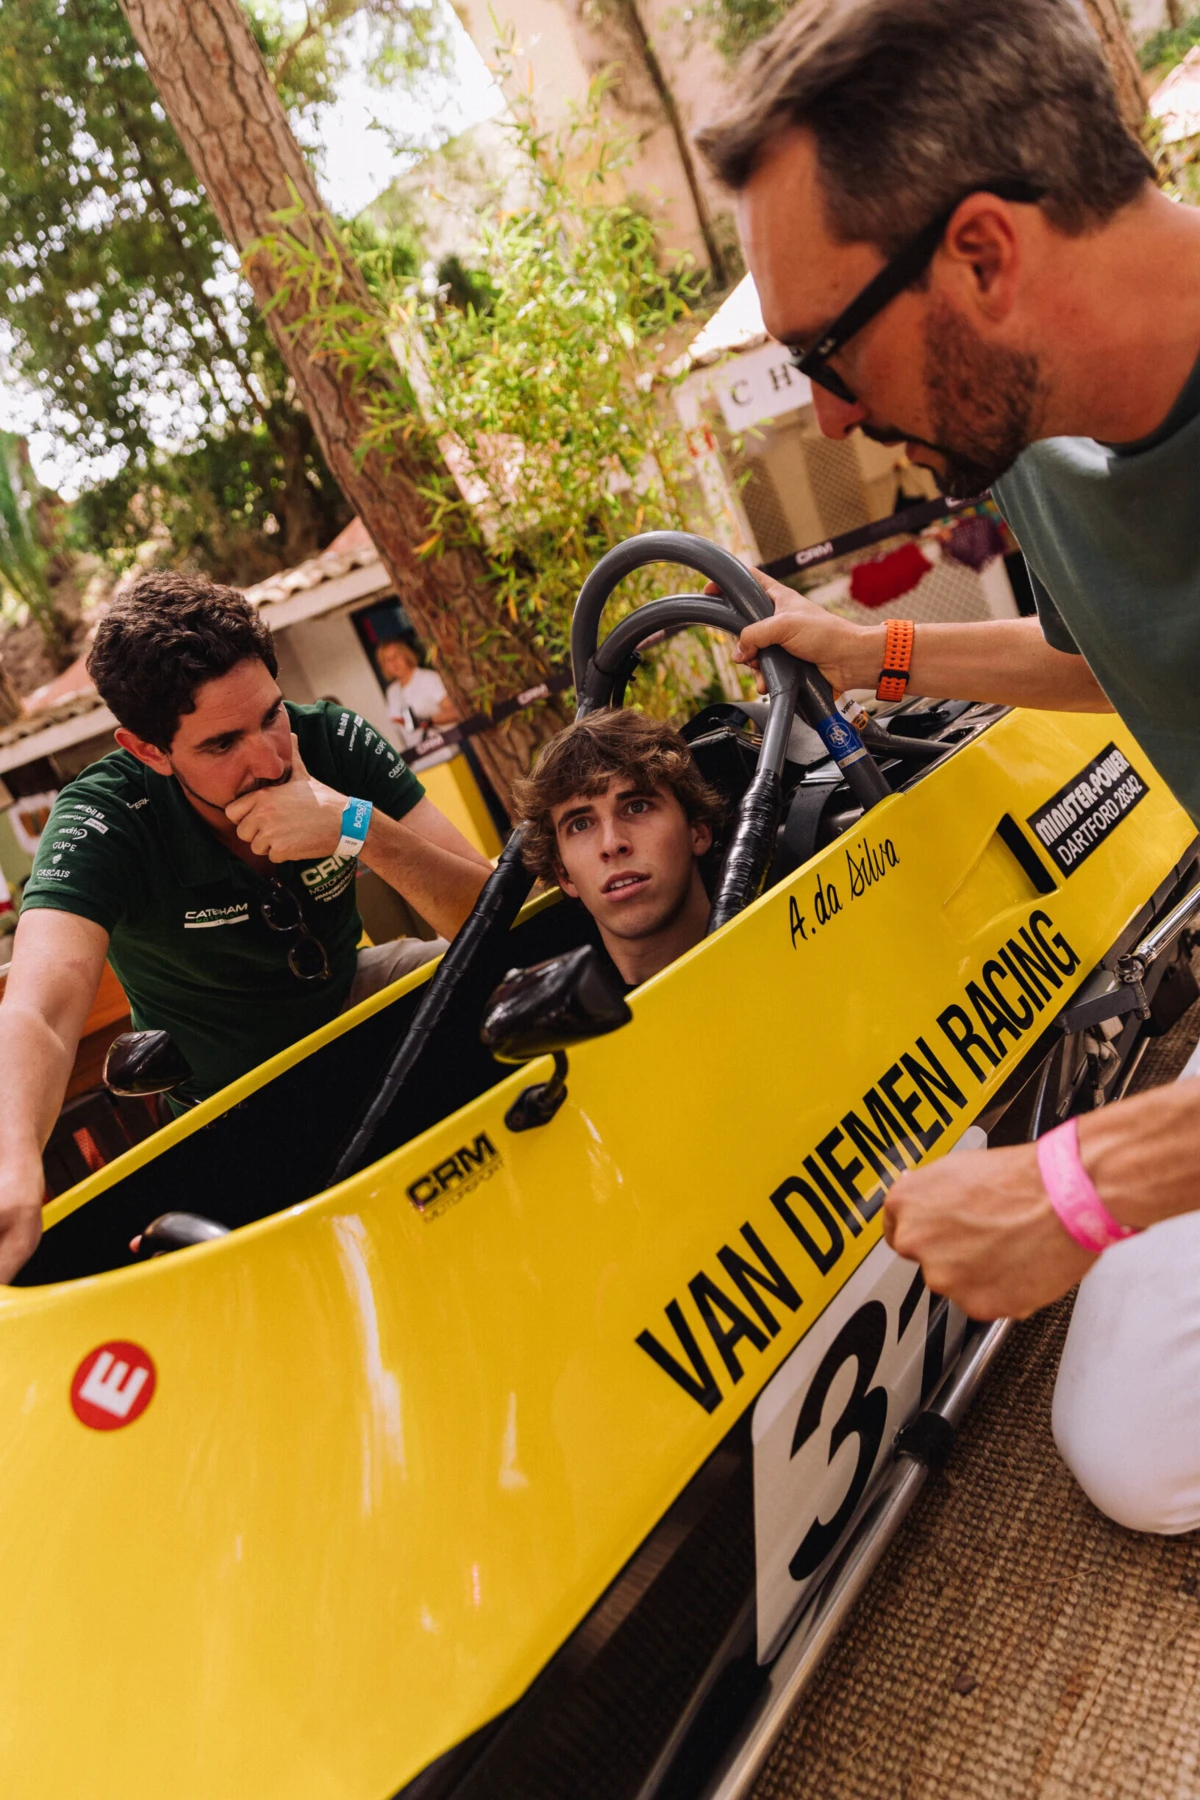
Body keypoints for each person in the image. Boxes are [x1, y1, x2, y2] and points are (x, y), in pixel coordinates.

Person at [697, 0, 1200, 1532]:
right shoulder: (1038, 452)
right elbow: (1116, 655)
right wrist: (873, 654)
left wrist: (1082, 1181)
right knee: (1132, 1438)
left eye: (827, 354)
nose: (828, 416)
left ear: (981, 254)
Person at [0, 572, 493, 1279]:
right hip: (232, 1097)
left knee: (499, 984)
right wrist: (11, 1159)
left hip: (353, 1006)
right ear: (148, 751)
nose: (269, 758)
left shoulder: (330, 739)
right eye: (221, 743)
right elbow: (41, 1010)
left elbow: (497, 917)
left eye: (270, 714)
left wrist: (356, 826)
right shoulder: (103, 819)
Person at [513, 709, 723, 988]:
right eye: (580, 825)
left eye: (637, 807)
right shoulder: (562, 1014)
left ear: (697, 831)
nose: (612, 844)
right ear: (564, 875)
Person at [378, 638, 458, 753]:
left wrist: (427, 721)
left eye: (396, 656)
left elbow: (454, 712)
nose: (393, 663)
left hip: (446, 749)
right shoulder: (392, 692)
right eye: (388, 660)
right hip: (419, 756)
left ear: (406, 655)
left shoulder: (427, 678)